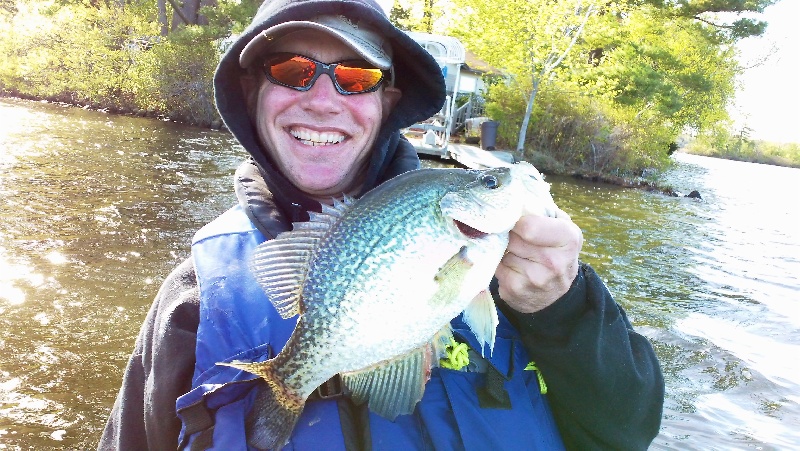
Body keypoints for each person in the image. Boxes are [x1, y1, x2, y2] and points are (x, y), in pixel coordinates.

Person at [99, 0, 664, 449]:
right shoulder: (194, 297)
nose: (322, 100)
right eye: (292, 70)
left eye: (355, 75)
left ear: (388, 100)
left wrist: (562, 308)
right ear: (254, 92)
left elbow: (627, 431)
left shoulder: (525, 261)